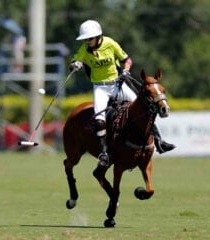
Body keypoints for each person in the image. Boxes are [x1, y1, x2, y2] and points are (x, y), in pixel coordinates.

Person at [69, 20, 175, 166]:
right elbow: (74, 60)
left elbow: (127, 60)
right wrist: (76, 64)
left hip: (118, 84)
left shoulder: (110, 43)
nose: (87, 41)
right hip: (100, 88)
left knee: (144, 107)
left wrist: (125, 71)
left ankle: (159, 141)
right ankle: (104, 153)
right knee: (100, 119)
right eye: (85, 39)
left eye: (90, 38)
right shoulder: (84, 49)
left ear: (98, 36)